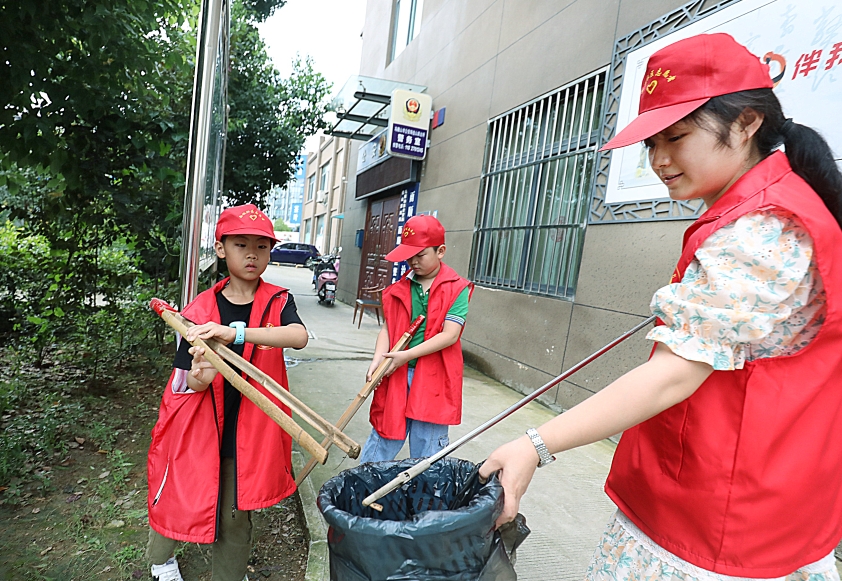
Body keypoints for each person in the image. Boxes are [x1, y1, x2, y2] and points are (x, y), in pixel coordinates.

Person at [480, 32, 842, 581]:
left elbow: (674, 375)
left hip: (723, 517)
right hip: (736, 496)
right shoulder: (759, 209)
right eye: (651, 143)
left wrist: (535, 443)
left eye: (675, 136)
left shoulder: (765, 227)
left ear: (746, 123)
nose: (660, 159)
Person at [146, 204, 308, 581]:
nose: (252, 254)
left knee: (236, 512)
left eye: (261, 246)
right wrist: (202, 374)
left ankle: (230, 575)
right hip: (200, 428)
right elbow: (188, 379)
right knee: (179, 493)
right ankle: (160, 560)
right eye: (240, 244)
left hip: (247, 431)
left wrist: (233, 333)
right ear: (221, 249)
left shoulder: (278, 301)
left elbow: (297, 336)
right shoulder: (200, 309)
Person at [358, 214, 473, 463]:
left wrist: (406, 355)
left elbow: (450, 335)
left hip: (434, 376)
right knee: (385, 435)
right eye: (409, 255)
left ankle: (424, 501)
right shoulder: (400, 287)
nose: (413, 261)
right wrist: (378, 359)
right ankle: (362, 494)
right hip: (396, 373)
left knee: (428, 445)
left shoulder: (457, 288)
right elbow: (389, 329)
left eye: (420, 255)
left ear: (440, 251)